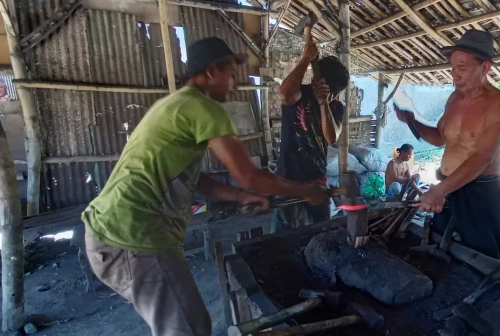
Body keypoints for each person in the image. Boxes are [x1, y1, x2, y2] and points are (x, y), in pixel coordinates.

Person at [82, 37, 330, 336]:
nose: (234, 86)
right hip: (133, 237)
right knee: (190, 329)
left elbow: (194, 178)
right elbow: (251, 176)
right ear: (212, 71)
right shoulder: (204, 108)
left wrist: (240, 196)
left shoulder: (174, 104)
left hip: (110, 232)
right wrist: (307, 191)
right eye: (232, 75)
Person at [395, 29, 500, 259]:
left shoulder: (499, 103)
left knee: (481, 256)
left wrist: (439, 191)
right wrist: (411, 121)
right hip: (449, 186)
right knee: (443, 250)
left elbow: (483, 157)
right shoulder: (454, 98)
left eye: (462, 68)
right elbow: (440, 137)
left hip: (479, 191)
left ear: (485, 67)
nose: (454, 75)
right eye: (452, 68)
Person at [272, 38, 349, 232]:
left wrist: (324, 103)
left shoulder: (336, 106)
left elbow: (331, 137)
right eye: (332, 91)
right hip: (289, 181)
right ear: (316, 81)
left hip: (317, 180)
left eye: (337, 93)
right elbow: (284, 94)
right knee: (282, 237)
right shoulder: (300, 93)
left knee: (321, 233)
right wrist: (306, 59)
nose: (335, 97)